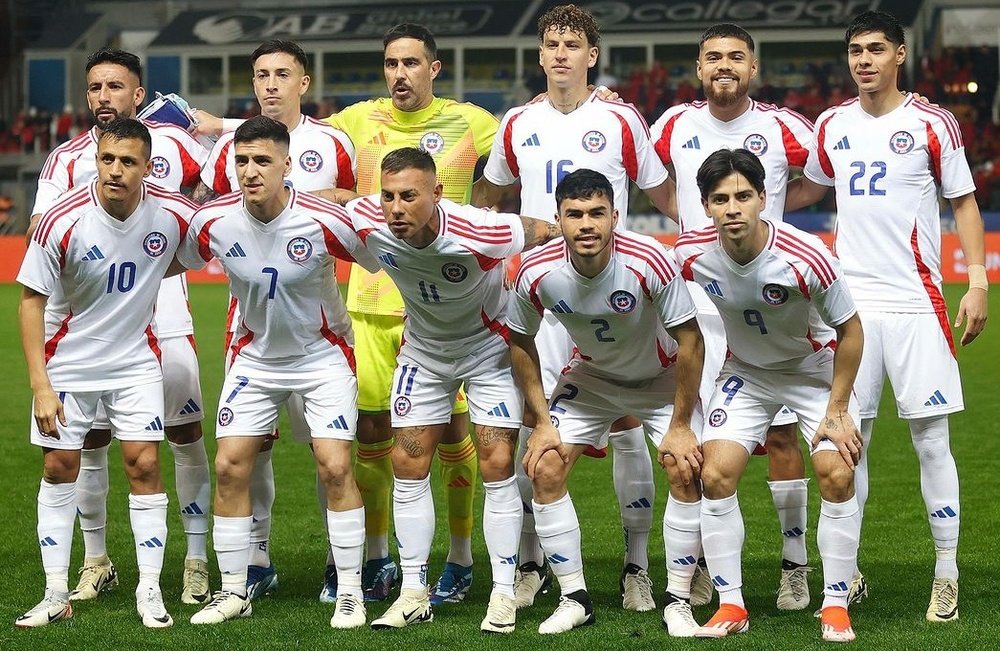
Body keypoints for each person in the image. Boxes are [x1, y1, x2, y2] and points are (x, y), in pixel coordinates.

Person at [474, 4, 675, 613]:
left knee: (627, 428)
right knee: (538, 431)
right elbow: (487, 195)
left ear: (593, 56)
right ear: (540, 55)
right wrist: (499, 236)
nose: (561, 53)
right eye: (551, 43)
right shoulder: (516, 123)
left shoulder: (620, 118)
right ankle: (536, 564)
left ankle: (637, 565)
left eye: (573, 44)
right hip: (542, 296)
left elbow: (664, 193)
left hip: (608, 292)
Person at [798, 10, 989, 622]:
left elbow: (963, 202)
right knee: (853, 446)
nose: (863, 60)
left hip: (918, 306)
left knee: (933, 442)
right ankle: (848, 576)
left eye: (875, 49)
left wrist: (978, 280)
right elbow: (802, 185)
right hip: (850, 312)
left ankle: (947, 572)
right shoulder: (831, 125)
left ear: (899, 55)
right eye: (855, 50)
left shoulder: (933, 122)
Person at [342, 147, 559, 633]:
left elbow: (542, 228)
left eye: (409, 197)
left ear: (437, 195)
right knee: (407, 462)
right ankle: (413, 592)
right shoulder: (369, 219)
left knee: (498, 463)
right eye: (389, 197)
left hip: (487, 349)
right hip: (424, 351)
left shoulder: (481, 231)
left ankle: (502, 593)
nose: (396, 209)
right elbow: (336, 202)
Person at [176, 116, 379, 628]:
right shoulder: (214, 221)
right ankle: (233, 590)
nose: (250, 171)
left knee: (334, 466)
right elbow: (174, 257)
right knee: (229, 466)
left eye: (262, 160)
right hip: (255, 357)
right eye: (242, 161)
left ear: (287, 165)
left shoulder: (320, 218)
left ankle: (351, 591)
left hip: (322, 355)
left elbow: (378, 258)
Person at [28, 47, 212, 607]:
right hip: (85, 319)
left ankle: (198, 561)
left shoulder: (174, 144)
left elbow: (209, 197)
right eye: (94, 88)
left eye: (115, 87)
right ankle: (96, 560)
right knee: (89, 444)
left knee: (182, 435)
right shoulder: (64, 160)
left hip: (165, 314)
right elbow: (43, 231)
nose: (103, 97)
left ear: (138, 94)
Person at [649, 23, 821, 613]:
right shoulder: (670, 125)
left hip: (761, 297)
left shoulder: (787, 126)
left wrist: (772, 213)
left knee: (779, 434)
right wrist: (693, 226)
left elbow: (819, 180)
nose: (725, 65)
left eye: (736, 57)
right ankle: (699, 566)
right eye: (714, 57)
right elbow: (656, 187)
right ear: (699, 67)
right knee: (695, 436)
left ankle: (795, 566)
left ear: (753, 68)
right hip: (697, 300)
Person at [674, 148, 864, 642]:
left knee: (836, 473)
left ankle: (837, 604)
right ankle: (731, 605)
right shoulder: (690, 255)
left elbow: (851, 331)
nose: (732, 208)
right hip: (747, 373)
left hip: (812, 369)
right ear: (706, 206)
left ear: (762, 198)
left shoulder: (807, 256)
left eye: (742, 196)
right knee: (714, 474)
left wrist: (838, 409)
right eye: (720, 199)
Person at [195, 39, 358, 604]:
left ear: (303, 82)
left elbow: (359, 212)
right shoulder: (229, 147)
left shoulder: (333, 140)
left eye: (281, 74)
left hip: (318, 325)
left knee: (329, 454)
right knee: (248, 450)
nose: (269, 84)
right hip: (252, 326)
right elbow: (214, 220)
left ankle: (344, 569)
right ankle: (255, 561)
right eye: (260, 74)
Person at [508, 169, 704, 634]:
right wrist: (540, 420)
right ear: (558, 219)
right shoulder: (537, 271)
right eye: (574, 215)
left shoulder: (650, 260)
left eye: (597, 213)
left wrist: (679, 423)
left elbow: (691, 341)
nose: (587, 224)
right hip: (593, 378)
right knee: (544, 465)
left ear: (616, 216)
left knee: (685, 464)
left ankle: (678, 598)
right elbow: (519, 340)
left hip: (659, 377)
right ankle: (574, 597)